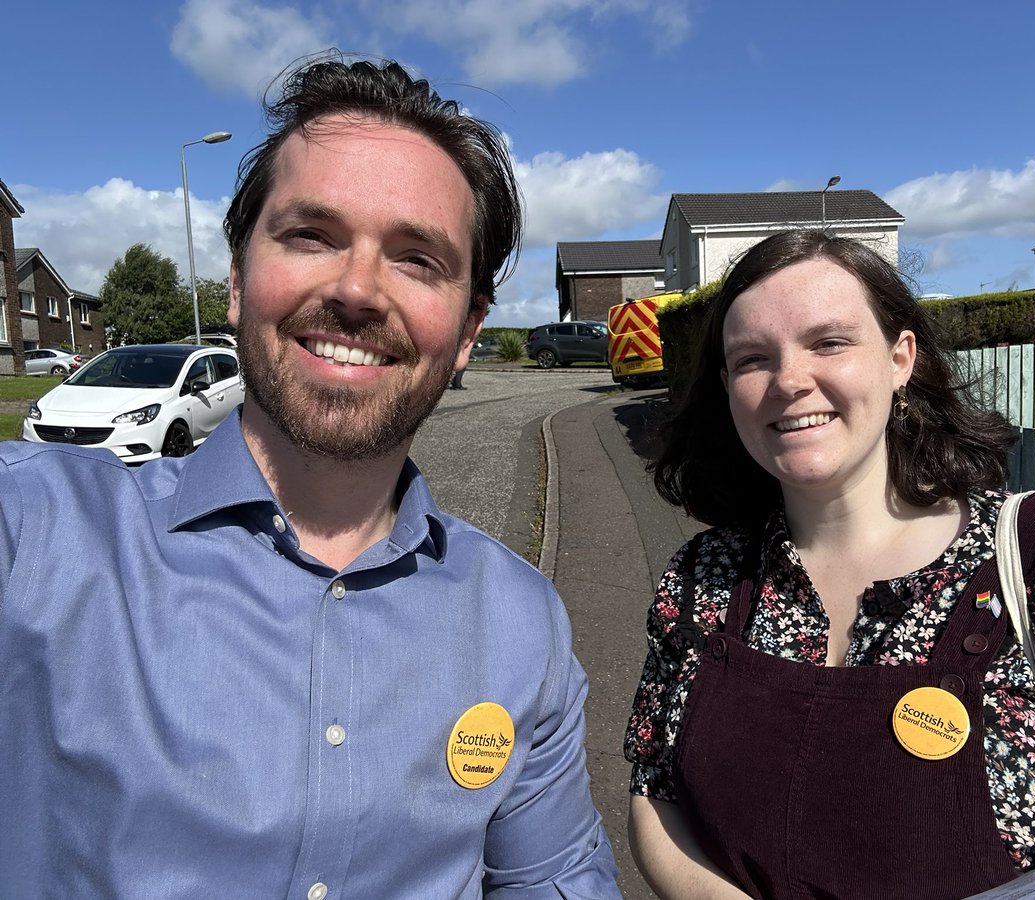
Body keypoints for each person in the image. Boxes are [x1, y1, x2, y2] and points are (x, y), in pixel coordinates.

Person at [0, 55, 619, 897]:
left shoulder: (522, 626)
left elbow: (555, 879)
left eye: (417, 259)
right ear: (236, 279)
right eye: (312, 236)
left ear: (470, 330)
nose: (359, 289)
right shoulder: (39, 533)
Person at [623, 229, 1035, 899]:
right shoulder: (701, 580)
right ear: (727, 388)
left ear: (900, 359)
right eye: (753, 359)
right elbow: (653, 789)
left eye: (829, 342)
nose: (788, 380)